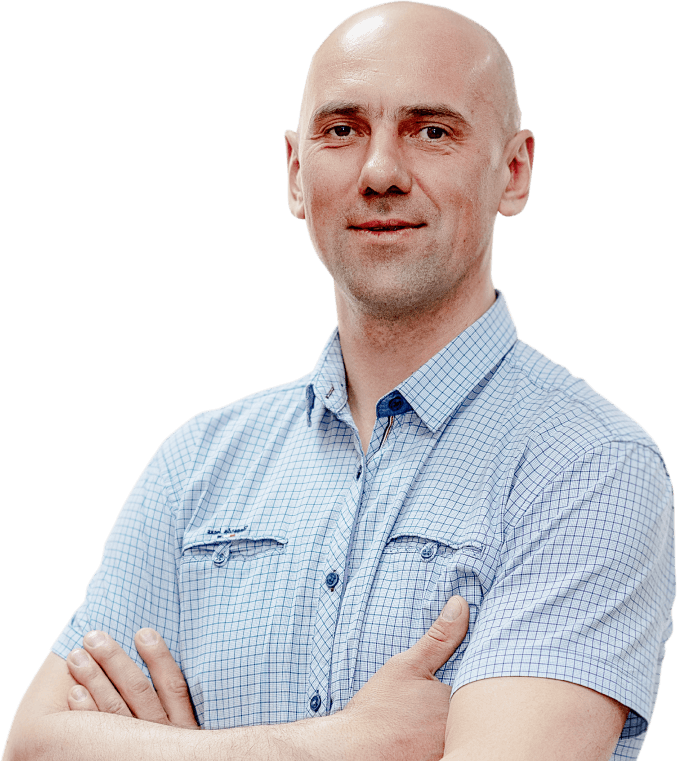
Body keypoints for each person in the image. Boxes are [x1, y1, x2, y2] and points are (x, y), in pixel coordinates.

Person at [5, 2, 674, 760]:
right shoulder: (196, 465)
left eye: (431, 131)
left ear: (514, 173)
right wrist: (347, 744)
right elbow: (34, 746)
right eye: (342, 130)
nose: (380, 172)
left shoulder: (589, 464)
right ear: (296, 173)